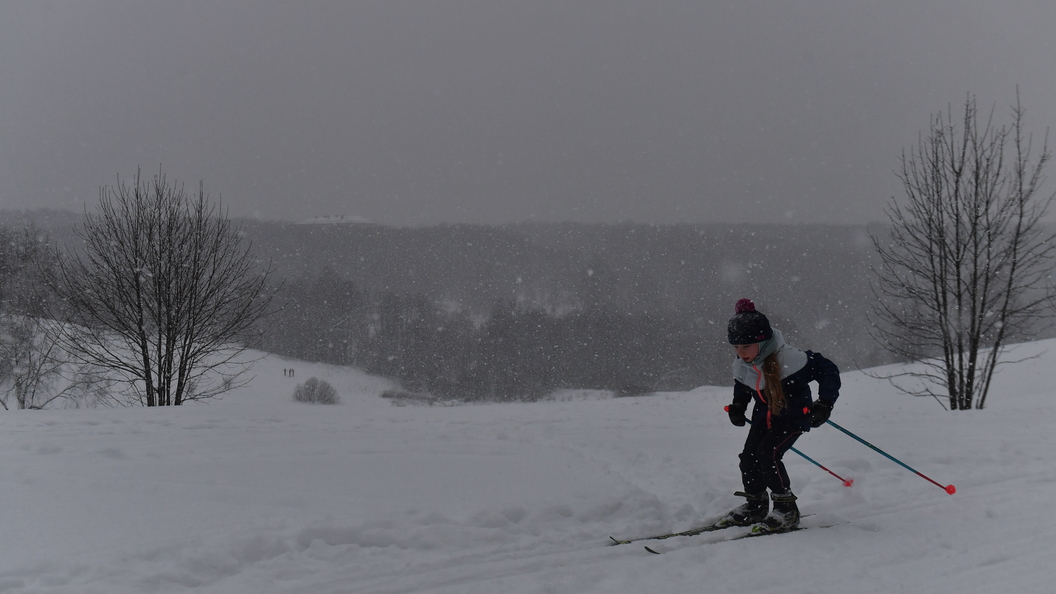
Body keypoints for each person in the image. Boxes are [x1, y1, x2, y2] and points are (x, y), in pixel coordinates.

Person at [719, 298, 841, 530]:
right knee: (748, 458)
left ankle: (787, 509)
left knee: (768, 455)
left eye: (745, 346)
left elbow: (828, 370)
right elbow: (743, 385)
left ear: (762, 342)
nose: (740, 352)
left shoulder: (791, 359)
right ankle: (756, 505)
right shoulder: (744, 364)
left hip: (792, 418)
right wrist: (737, 406)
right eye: (736, 347)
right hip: (763, 418)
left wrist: (824, 403)